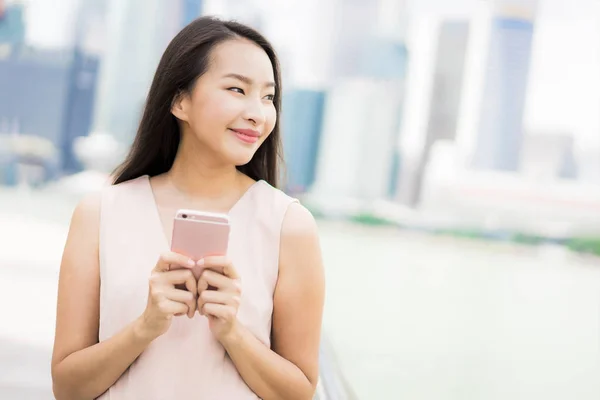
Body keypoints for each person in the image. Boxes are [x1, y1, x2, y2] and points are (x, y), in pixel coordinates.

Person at [51, 16, 325, 400]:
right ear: (180, 100)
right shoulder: (100, 213)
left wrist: (231, 331)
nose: (257, 113)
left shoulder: (288, 225)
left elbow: (299, 392)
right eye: (236, 89)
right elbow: (67, 387)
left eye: (267, 96)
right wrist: (146, 325)